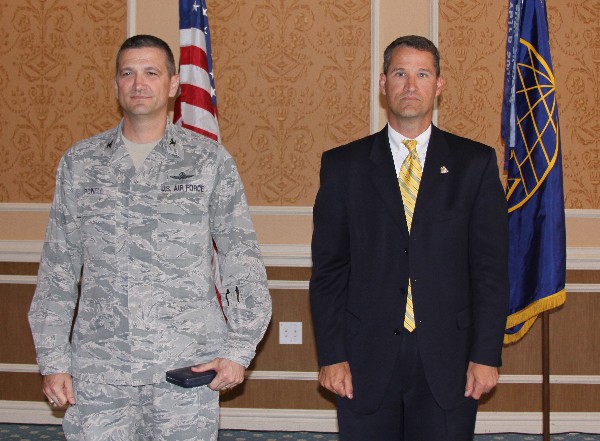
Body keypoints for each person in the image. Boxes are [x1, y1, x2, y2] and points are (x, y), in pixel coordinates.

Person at [28, 34, 272, 441]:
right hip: (100, 372)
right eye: (128, 73)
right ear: (116, 85)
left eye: (151, 73)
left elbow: (240, 260)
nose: (139, 84)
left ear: (173, 84)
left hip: (186, 367)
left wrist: (237, 350)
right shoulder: (81, 163)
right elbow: (58, 269)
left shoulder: (207, 160)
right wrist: (53, 359)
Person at [309, 35, 509, 441]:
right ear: (383, 84)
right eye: (400, 74)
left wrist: (486, 355)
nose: (411, 85)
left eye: (422, 74)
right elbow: (329, 271)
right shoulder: (343, 166)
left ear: (439, 85)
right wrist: (331, 356)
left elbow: (490, 270)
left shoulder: (475, 164)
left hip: (449, 358)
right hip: (364, 358)